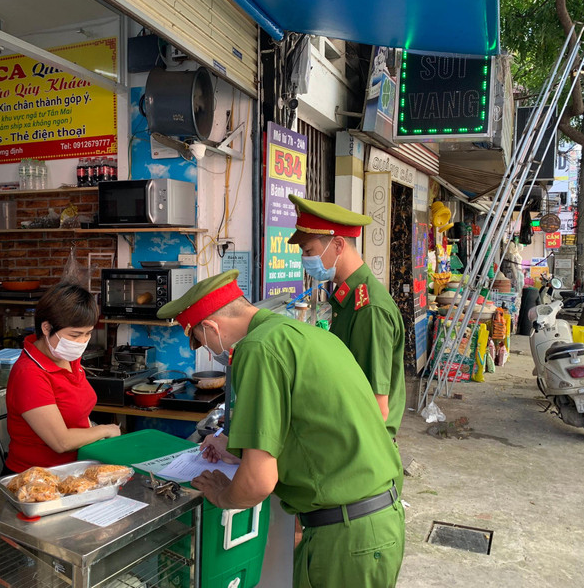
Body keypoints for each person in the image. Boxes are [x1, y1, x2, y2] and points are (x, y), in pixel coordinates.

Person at [157, 270, 405, 588]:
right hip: (377, 522)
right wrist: (235, 447)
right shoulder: (305, 334)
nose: (208, 351)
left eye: (201, 341)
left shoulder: (258, 348)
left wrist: (223, 494)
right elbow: (308, 428)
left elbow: (258, 482)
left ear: (210, 327)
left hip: (345, 538)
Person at [288, 195, 406, 440]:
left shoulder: (368, 308)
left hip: (362, 449)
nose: (304, 260)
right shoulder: (347, 299)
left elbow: (377, 407)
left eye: (309, 251)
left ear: (338, 245)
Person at [4, 282, 120, 474]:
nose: (82, 341)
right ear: (47, 328)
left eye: (88, 334)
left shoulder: (68, 358)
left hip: (74, 468)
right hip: (36, 477)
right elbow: (61, 441)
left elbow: (76, 413)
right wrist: (105, 430)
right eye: (75, 335)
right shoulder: (29, 374)